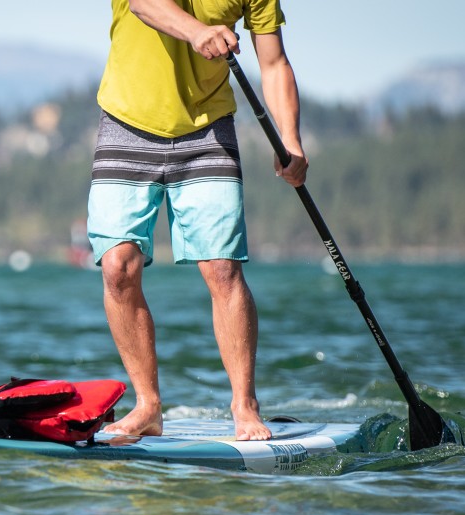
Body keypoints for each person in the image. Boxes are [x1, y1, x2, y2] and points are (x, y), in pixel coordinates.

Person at [87, 0, 308, 441]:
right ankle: (148, 406)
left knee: (222, 267)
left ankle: (244, 405)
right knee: (117, 267)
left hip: (208, 128)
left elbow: (274, 61)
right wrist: (195, 31)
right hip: (126, 119)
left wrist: (291, 140)